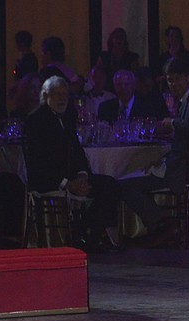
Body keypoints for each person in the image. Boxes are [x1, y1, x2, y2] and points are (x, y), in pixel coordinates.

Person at [23, 76, 122, 252]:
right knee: (103, 187)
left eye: (65, 95)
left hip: (71, 177)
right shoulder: (35, 121)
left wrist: (82, 176)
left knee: (109, 185)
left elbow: (77, 152)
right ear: (46, 96)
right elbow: (38, 163)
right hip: (48, 180)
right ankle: (83, 235)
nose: (62, 99)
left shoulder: (67, 117)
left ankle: (89, 235)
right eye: (57, 94)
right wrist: (68, 184)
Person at [119, 58, 189, 244]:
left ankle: (161, 223)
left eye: (176, 79)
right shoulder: (185, 101)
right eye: (169, 80)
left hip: (185, 170)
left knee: (125, 185)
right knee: (131, 180)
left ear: (188, 78)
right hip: (176, 164)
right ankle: (162, 223)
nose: (172, 84)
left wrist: (173, 123)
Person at [97, 69, 163, 124]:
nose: (123, 88)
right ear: (114, 86)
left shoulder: (147, 108)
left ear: (134, 86)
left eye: (127, 84)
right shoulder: (105, 108)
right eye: (119, 85)